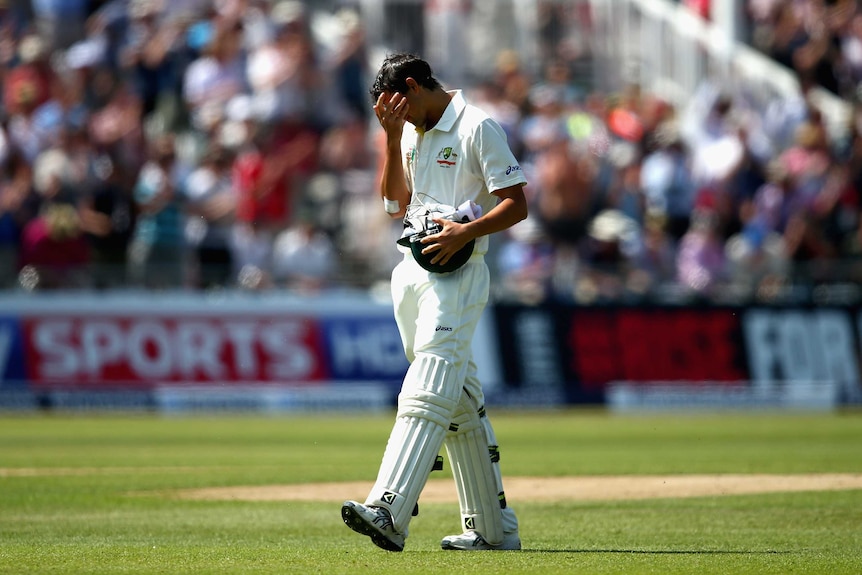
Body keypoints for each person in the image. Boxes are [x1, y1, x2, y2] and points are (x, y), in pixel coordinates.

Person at [341, 53, 527, 552]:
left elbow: (517, 202)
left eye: (395, 108)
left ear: (413, 86)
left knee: (425, 389)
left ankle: (389, 507)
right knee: (458, 402)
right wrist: (390, 136)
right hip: (412, 272)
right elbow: (392, 205)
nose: (394, 117)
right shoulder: (410, 132)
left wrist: (466, 230)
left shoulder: (477, 125)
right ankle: (492, 530)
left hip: (460, 271)